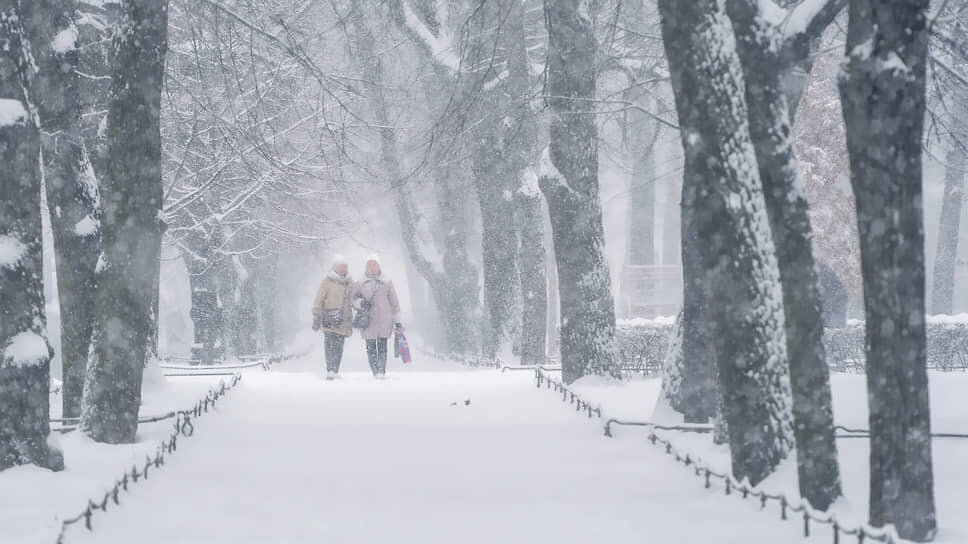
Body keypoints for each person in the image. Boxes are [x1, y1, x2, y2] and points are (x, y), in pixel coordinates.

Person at [351, 254, 401, 378]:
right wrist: (361, 302)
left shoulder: (387, 282)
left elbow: (394, 302)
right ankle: (375, 372)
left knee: (383, 347)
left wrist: (397, 320)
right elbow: (352, 299)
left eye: (374, 264)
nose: (372, 267)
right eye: (369, 265)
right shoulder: (360, 282)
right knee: (371, 348)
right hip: (368, 320)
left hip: (385, 320)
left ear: (379, 266)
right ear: (366, 267)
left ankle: (381, 372)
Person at [311, 255, 354, 380]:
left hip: (343, 320)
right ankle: (330, 369)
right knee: (329, 344)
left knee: (339, 346)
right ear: (335, 267)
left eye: (345, 267)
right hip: (329, 319)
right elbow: (318, 299)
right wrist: (316, 315)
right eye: (341, 267)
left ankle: (335, 370)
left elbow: (355, 298)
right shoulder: (327, 281)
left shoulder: (350, 282)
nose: (343, 269)